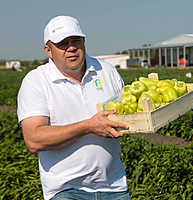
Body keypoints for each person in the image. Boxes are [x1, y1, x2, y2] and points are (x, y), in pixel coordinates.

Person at [17, 15, 131, 200]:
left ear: (84, 41)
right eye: (62, 44)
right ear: (48, 50)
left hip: (114, 187)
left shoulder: (107, 71)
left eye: (75, 40)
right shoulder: (36, 81)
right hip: (66, 190)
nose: (71, 48)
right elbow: (34, 139)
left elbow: (128, 114)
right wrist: (88, 126)